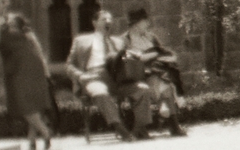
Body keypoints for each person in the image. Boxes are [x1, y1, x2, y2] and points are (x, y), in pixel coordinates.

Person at [67, 9, 153, 141]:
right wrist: (80, 76)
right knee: (100, 92)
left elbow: (129, 57)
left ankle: (138, 129)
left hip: (117, 79)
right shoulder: (81, 41)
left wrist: (136, 55)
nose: (108, 22)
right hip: (93, 77)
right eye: (104, 19)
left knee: (143, 89)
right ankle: (121, 129)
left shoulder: (119, 42)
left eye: (110, 19)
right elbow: (69, 65)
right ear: (94, 22)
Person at [0, 12, 56, 150]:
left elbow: (38, 49)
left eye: (11, 18)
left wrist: (45, 69)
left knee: (28, 104)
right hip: (17, 69)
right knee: (27, 104)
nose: (8, 19)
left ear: (18, 21)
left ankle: (45, 132)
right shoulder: (3, 32)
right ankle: (32, 140)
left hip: (31, 68)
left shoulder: (27, 33)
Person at [125, 8, 186, 137]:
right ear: (136, 23)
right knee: (164, 81)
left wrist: (170, 57)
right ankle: (172, 124)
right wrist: (145, 57)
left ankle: (166, 113)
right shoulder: (126, 40)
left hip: (156, 72)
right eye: (144, 21)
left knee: (162, 79)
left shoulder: (151, 37)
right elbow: (125, 60)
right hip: (137, 75)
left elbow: (163, 51)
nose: (147, 24)